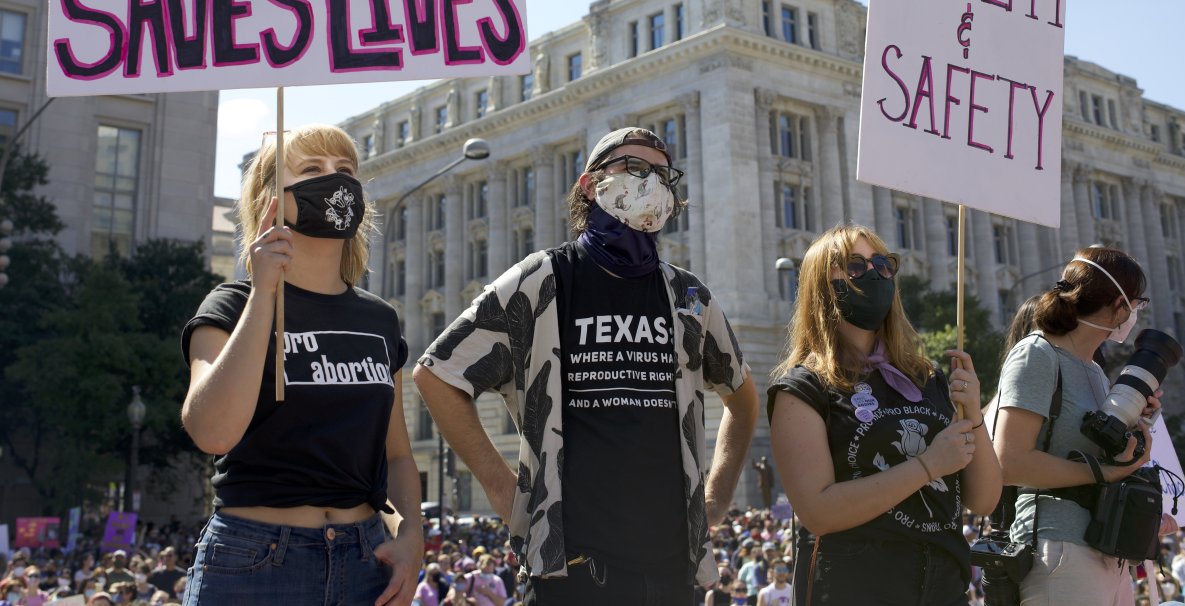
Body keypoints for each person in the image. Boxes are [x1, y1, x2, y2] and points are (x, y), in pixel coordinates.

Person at [414, 126, 759, 605]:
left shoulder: (688, 296)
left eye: (662, 174)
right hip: (569, 573)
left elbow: (742, 399)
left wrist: (717, 497)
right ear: (588, 184)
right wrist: (501, 490)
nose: (650, 182)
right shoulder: (542, 279)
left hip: (670, 572)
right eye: (632, 168)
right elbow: (436, 374)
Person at [180, 124, 423, 605]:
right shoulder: (229, 306)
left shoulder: (379, 319)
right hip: (255, 563)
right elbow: (212, 432)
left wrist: (413, 536)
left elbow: (395, 454)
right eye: (312, 169)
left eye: (345, 170)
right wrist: (265, 294)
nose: (334, 179)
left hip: (365, 561)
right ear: (270, 198)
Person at [768, 224, 1001, 606]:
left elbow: (984, 499)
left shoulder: (927, 378)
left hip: (944, 589)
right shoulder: (803, 389)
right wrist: (927, 466)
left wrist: (974, 413)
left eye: (884, 264)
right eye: (856, 266)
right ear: (822, 285)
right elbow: (818, 511)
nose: (875, 274)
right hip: (855, 590)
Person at [994, 246, 1158, 606]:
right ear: (1119, 305)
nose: (1135, 316)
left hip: (1106, 547)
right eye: (1137, 304)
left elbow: (1098, 452)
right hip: (1059, 548)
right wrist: (1104, 473)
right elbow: (1009, 463)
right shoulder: (1037, 353)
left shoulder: (1096, 371)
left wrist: (1138, 426)